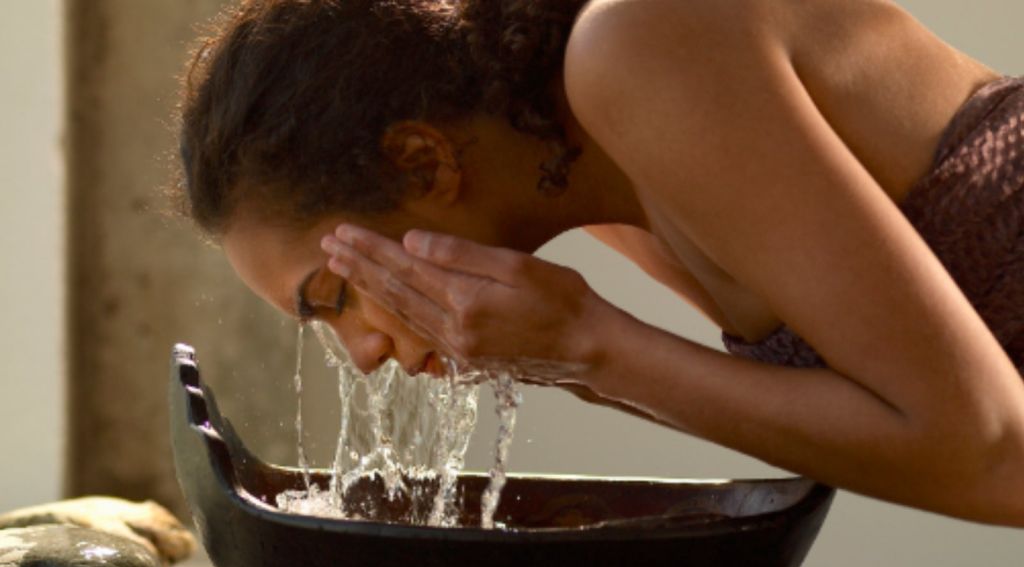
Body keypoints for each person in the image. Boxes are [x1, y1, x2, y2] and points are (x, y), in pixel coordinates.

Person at [176, 0, 1024, 526]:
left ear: (423, 164)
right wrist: (579, 359)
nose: (359, 353)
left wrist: (591, 348)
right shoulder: (592, 175)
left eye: (332, 295)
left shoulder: (639, 46)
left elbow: (991, 453)